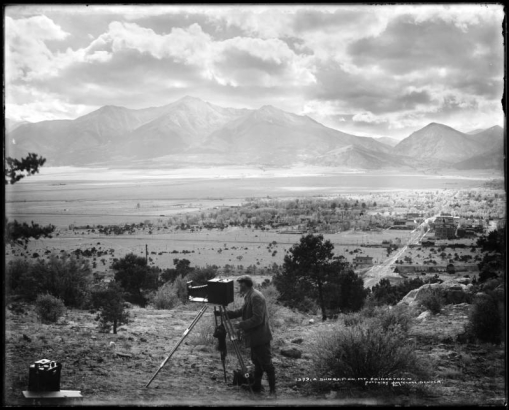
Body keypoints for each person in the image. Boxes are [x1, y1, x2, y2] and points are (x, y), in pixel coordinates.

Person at [216, 275, 276, 395]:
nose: (239, 287)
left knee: (266, 363)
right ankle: (256, 386)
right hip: (255, 336)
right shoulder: (250, 296)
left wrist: (241, 324)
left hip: (260, 336)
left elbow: (258, 319)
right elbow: (241, 311)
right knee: (257, 361)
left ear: (244, 284)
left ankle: (273, 391)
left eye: (240, 284)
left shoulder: (255, 297)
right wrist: (224, 313)